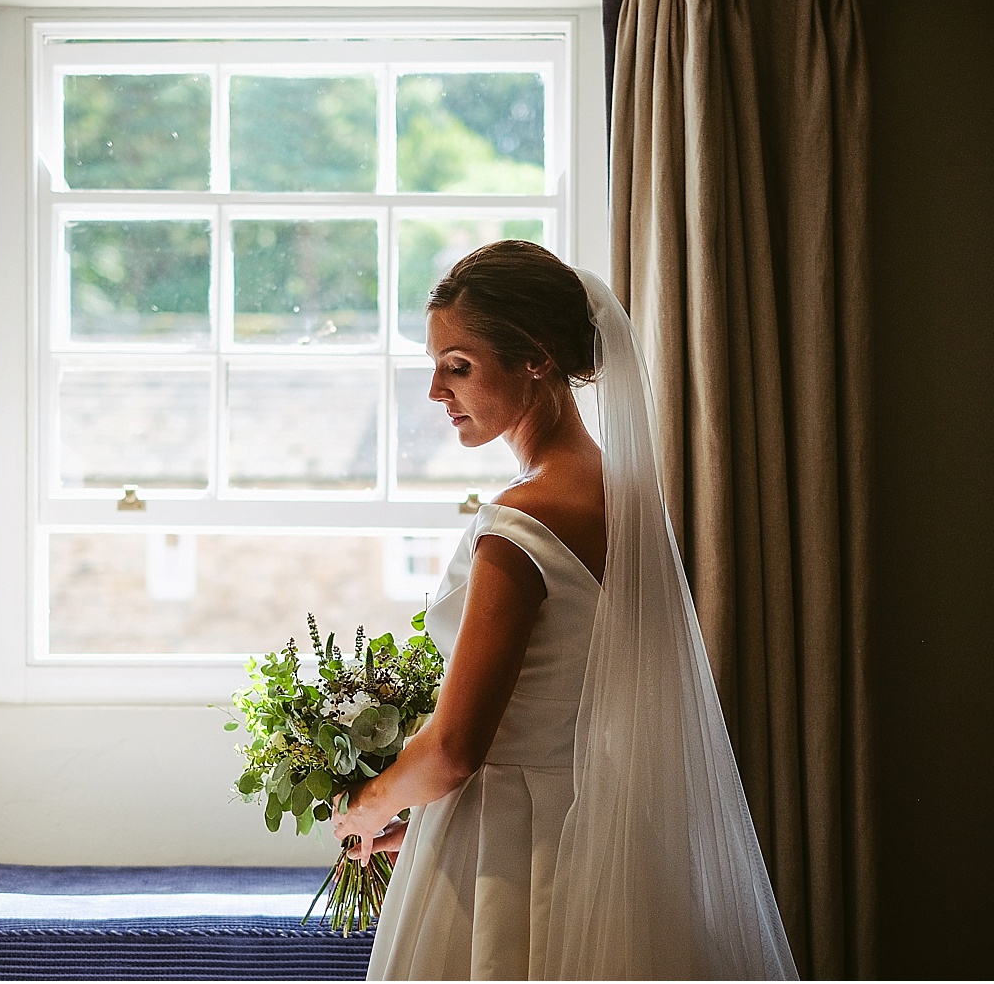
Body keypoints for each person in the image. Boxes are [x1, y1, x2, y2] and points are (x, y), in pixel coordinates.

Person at [332, 241, 798, 980]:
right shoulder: (620, 495)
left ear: (536, 359)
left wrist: (365, 807)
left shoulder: (521, 522)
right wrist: (411, 814)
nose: (435, 392)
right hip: (602, 828)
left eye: (458, 365)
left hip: (509, 853)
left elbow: (455, 750)